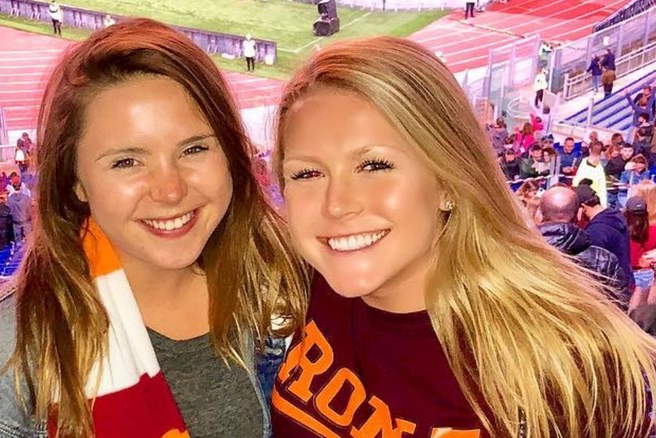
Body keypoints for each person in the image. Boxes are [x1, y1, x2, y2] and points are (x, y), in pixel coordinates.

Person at [0, 18, 307, 438]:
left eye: (194, 148)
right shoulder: (11, 355)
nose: (170, 190)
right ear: (75, 182)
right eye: (127, 161)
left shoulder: (286, 278)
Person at [269, 36, 656, 438]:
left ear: (449, 182)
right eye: (307, 173)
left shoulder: (566, 364)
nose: (336, 205)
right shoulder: (312, 282)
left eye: (374, 165)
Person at [538, 186, 629, 309]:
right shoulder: (603, 260)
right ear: (579, 214)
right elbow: (619, 307)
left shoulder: (521, 255)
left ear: (540, 214)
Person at [575, 183, 634, 285]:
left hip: (611, 288)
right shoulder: (616, 217)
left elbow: (594, 269)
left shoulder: (596, 231)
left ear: (583, 207)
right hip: (625, 281)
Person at [573, 140, 607, 206]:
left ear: (590, 150)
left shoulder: (583, 163)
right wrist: (603, 206)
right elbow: (602, 190)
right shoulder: (600, 169)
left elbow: (576, 182)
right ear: (602, 152)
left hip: (579, 197)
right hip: (591, 201)